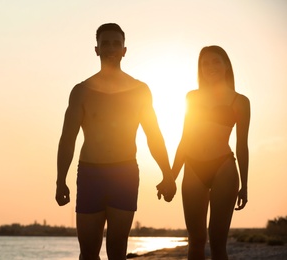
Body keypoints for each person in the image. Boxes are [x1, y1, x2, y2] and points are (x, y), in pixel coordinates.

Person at [55, 23, 176, 260]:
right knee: (88, 252)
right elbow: (67, 139)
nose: (111, 47)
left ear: (124, 50)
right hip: (91, 174)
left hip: (124, 174)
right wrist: (61, 180)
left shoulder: (140, 90)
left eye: (116, 43)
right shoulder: (81, 91)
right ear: (96, 49)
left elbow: (154, 135)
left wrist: (167, 173)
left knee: (117, 251)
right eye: (105, 43)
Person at [171, 45, 250, 260]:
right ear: (200, 69)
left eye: (216, 61)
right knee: (195, 241)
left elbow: (242, 144)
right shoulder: (192, 97)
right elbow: (185, 139)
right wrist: (171, 176)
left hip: (223, 167)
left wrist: (245, 185)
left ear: (226, 66)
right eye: (205, 63)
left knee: (217, 242)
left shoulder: (240, 101)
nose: (210, 66)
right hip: (193, 167)